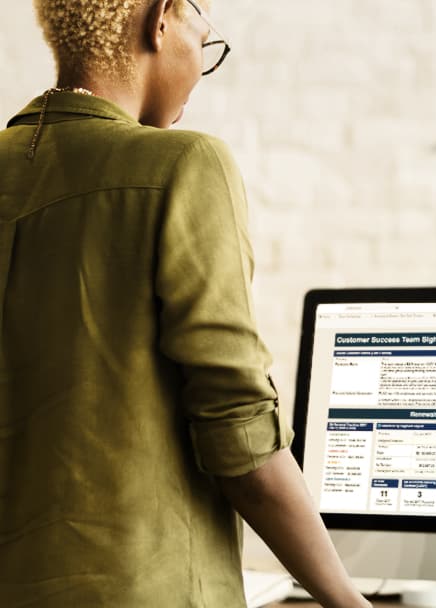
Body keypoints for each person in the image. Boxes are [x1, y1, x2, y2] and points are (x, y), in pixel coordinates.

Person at [0, 1, 370, 606]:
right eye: (207, 42)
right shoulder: (183, 165)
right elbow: (239, 434)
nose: (202, 65)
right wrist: (348, 602)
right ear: (161, 19)